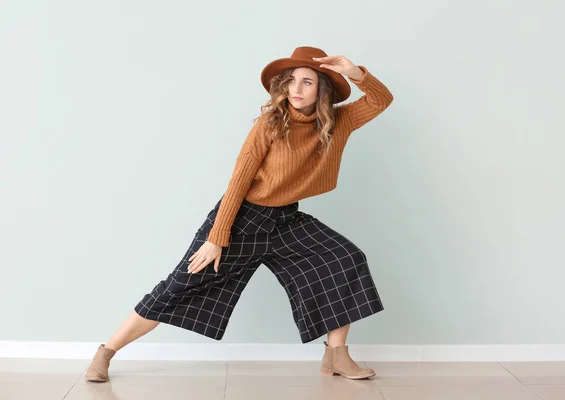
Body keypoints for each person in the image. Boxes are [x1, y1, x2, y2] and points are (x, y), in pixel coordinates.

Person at [85, 46, 394, 382]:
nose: (296, 89)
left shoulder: (338, 122)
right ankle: (106, 353)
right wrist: (217, 238)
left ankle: (337, 357)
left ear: (322, 88)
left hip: (286, 220)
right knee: (178, 286)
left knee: (344, 259)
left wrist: (354, 71)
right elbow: (239, 182)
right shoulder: (270, 123)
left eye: (306, 82)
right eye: (290, 81)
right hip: (242, 219)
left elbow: (381, 101)